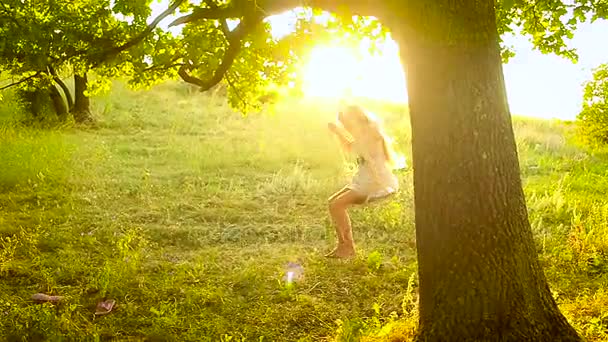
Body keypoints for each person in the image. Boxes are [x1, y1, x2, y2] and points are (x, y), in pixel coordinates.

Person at [326, 104, 402, 259]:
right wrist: (338, 131)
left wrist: (380, 185)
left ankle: (348, 248)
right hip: (363, 179)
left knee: (337, 205)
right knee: (332, 203)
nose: (347, 125)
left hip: (372, 181)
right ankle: (344, 246)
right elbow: (352, 146)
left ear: (355, 118)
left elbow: (369, 147)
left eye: (347, 121)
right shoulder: (362, 133)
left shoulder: (371, 130)